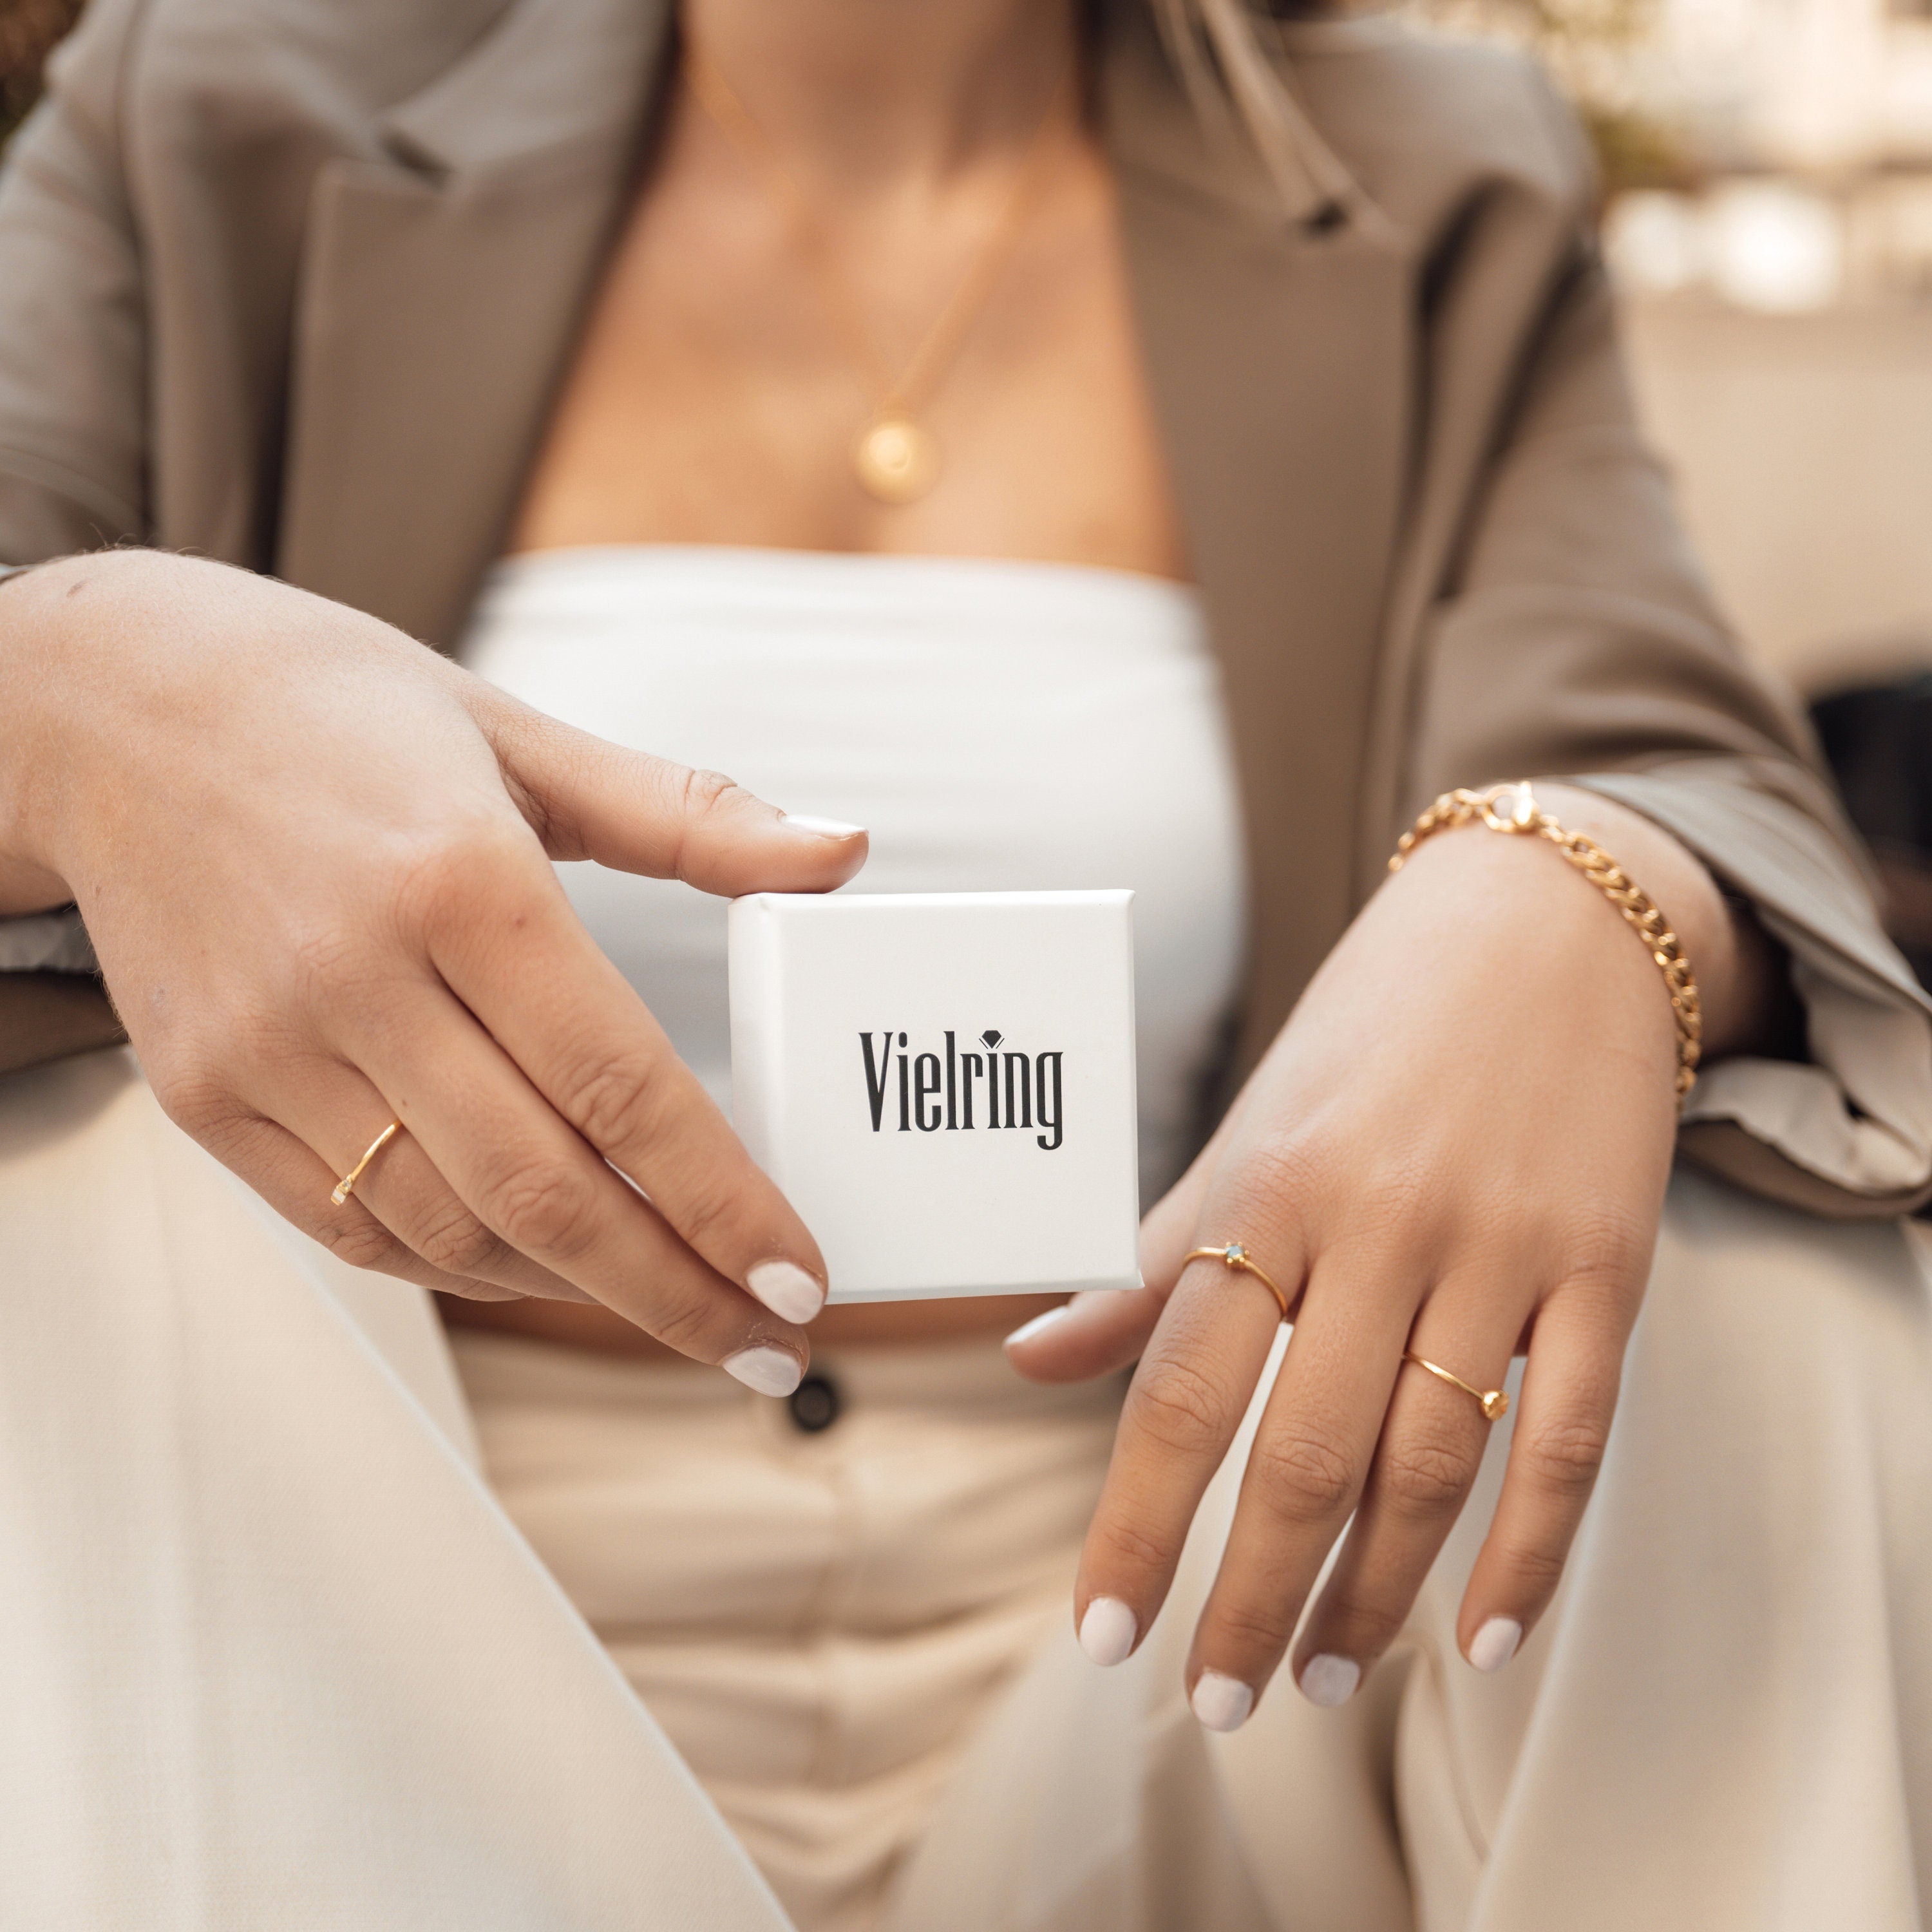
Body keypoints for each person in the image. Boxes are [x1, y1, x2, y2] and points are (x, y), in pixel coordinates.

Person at [1, 1, 1928, 1927]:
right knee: (85, 1166)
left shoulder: (1424, 161)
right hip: (360, 1631)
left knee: (1739, 1266)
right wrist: (67, 696)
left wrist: (1583, 885)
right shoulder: (214, 98)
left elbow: (1684, 757)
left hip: (1156, 1625)